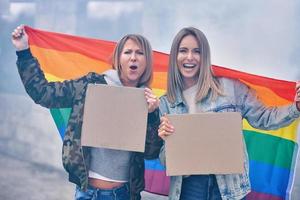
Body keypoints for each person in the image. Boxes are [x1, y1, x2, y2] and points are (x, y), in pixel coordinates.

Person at [12, 25, 163, 200]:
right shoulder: (90, 85)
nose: (133, 58)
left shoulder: (148, 100)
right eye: (128, 52)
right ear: (118, 58)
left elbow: (151, 152)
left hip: (125, 194)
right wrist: (23, 52)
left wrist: (152, 116)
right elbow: (44, 93)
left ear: (147, 62)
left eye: (140, 53)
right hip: (87, 193)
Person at [157, 27, 300, 200]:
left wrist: (296, 107)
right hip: (188, 188)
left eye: (197, 51)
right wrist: (168, 141)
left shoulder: (230, 88)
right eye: (183, 51)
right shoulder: (166, 102)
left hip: (228, 188)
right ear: (175, 57)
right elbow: (165, 161)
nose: (189, 57)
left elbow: (264, 118)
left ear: (205, 57)